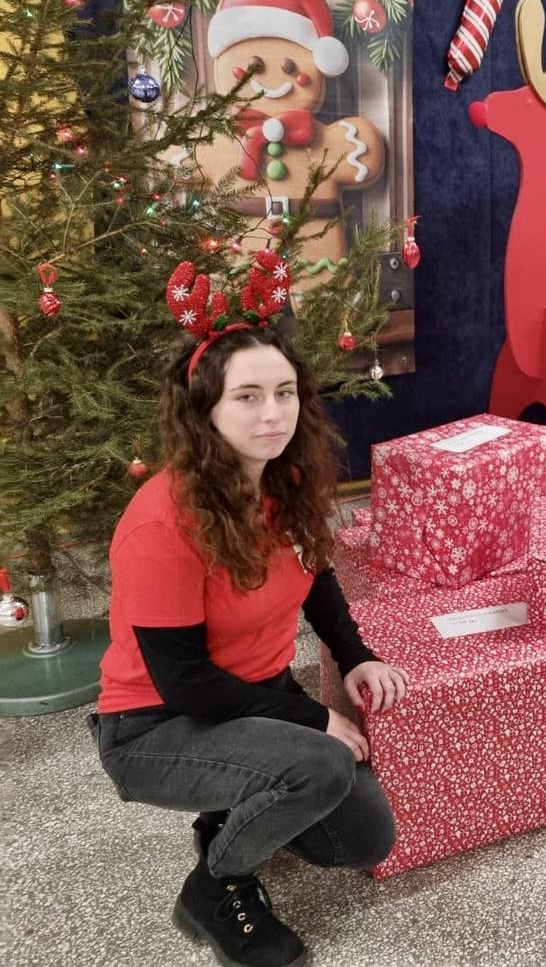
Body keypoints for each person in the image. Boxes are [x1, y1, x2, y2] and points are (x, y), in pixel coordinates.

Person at [92, 256, 410, 967]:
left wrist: (355, 656)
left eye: (285, 392)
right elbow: (185, 684)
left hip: (253, 694)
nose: (273, 413)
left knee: (363, 840)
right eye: (247, 396)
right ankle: (214, 888)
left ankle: (231, 807)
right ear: (204, 408)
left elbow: (316, 577)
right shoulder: (161, 523)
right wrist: (314, 719)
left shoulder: (284, 480)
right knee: (319, 768)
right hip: (156, 723)